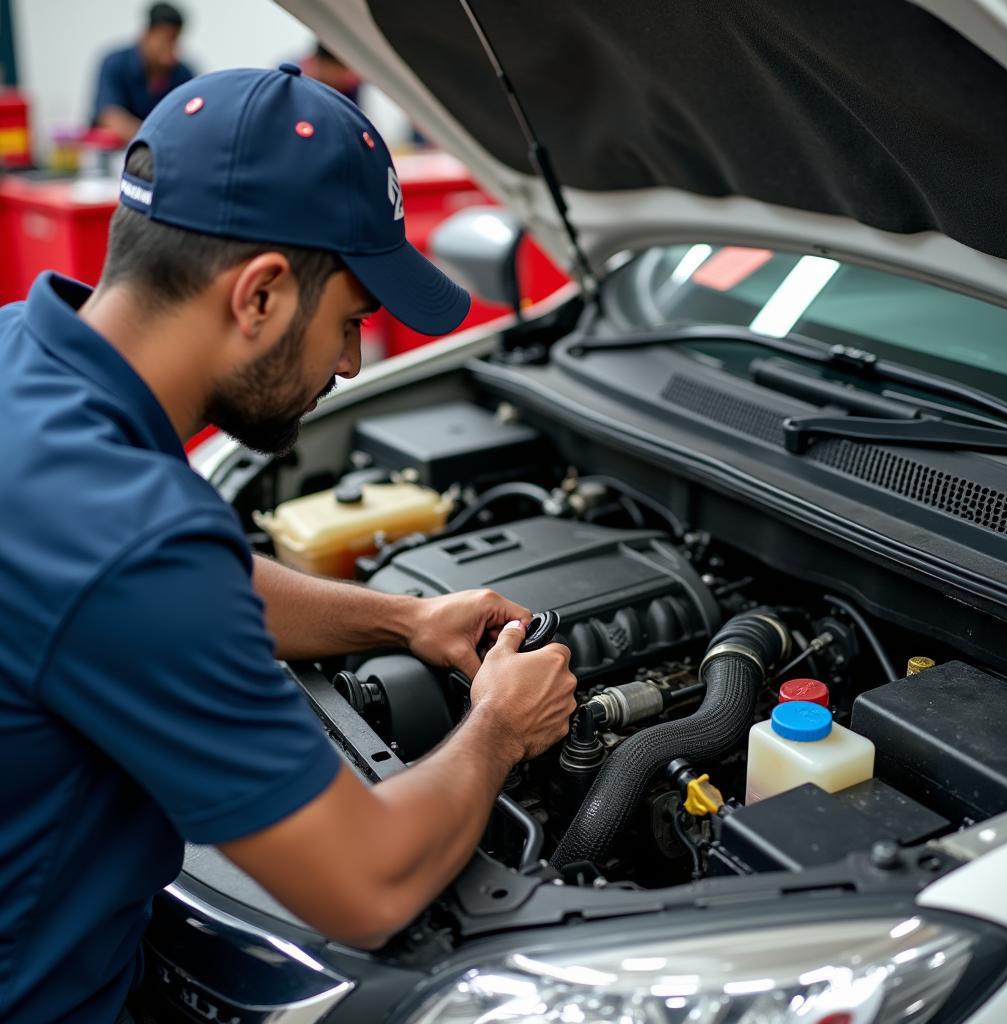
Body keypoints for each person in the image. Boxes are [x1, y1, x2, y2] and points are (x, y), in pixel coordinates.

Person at [0, 64, 577, 1024]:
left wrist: (404, 621)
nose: (353, 365)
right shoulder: (128, 538)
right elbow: (365, 886)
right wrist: (501, 729)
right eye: (351, 322)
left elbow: (166, 588)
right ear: (260, 295)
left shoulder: (27, 351)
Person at [90, 2, 194, 144]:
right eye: (165, 39)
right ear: (147, 34)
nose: (170, 48)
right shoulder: (115, 64)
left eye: (174, 40)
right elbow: (109, 116)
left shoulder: (183, 74)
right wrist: (154, 140)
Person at [301, 41, 361, 106]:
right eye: (338, 70)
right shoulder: (301, 82)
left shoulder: (350, 83)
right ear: (322, 64)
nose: (345, 76)